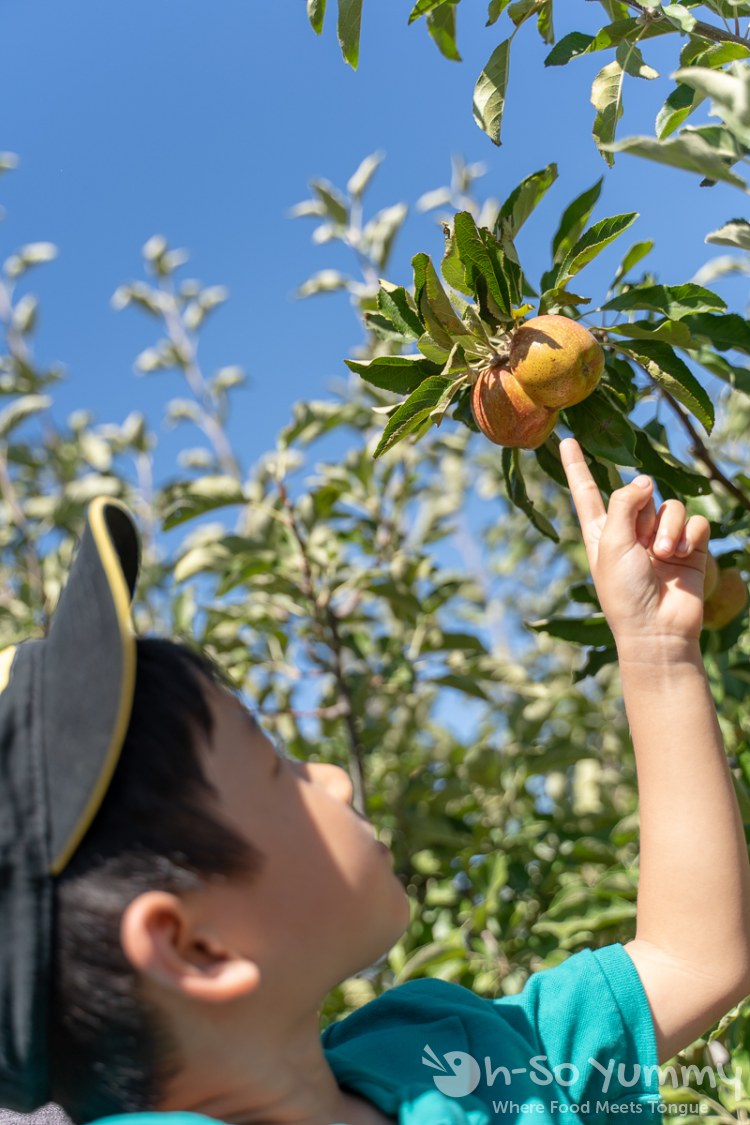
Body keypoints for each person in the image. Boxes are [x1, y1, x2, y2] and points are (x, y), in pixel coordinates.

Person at [1, 436, 748, 1125]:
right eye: (276, 770)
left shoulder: (448, 1052)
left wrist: (655, 653)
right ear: (193, 946)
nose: (330, 778)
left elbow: (693, 958)